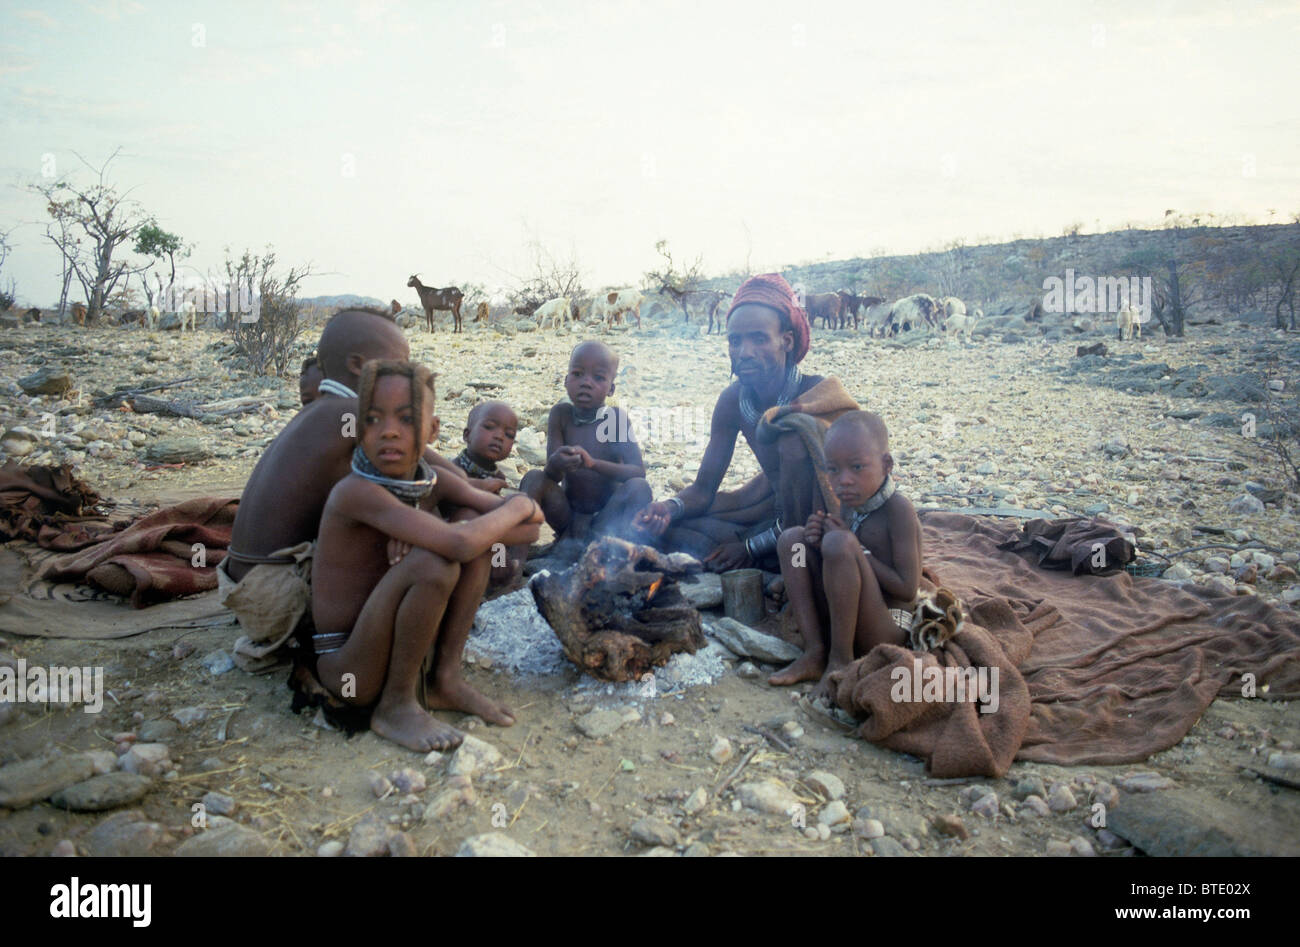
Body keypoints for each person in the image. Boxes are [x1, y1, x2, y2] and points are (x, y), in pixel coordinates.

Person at [220, 307, 505, 674]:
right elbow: (443, 471)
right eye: (400, 363)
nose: (406, 374)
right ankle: (421, 666)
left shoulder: (320, 411)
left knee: (409, 509)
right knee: (449, 529)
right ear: (359, 366)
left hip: (246, 587)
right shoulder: (351, 414)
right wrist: (483, 495)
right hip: (279, 594)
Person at [312, 359, 542, 751]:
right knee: (436, 560)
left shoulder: (427, 478)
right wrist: (515, 508)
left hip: (399, 646)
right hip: (351, 667)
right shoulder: (356, 492)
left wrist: (510, 514)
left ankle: (444, 680)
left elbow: (533, 526)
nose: (389, 431)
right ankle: (396, 706)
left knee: (471, 529)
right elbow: (464, 543)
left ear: (432, 430)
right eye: (372, 419)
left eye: (405, 419)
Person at [633, 274, 839, 572]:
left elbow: (835, 498)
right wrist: (666, 508)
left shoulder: (817, 396)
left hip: (817, 527)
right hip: (772, 514)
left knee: (802, 551)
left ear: (787, 341)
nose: (744, 352)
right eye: (735, 341)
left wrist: (749, 548)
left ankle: (788, 575)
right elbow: (704, 489)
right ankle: (768, 565)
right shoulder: (733, 402)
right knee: (675, 530)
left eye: (758, 338)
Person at [768, 411, 921, 691]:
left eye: (857, 467)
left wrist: (854, 547)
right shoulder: (851, 504)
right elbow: (843, 563)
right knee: (793, 542)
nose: (844, 480)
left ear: (886, 464)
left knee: (840, 543)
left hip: (888, 624)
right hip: (847, 614)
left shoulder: (898, 511)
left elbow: (907, 589)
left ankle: (840, 660)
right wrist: (816, 542)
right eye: (833, 470)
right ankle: (814, 652)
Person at [520, 340, 650, 549]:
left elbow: (637, 472)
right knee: (533, 478)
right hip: (568, 517)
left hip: (607, 519)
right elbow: (551, 476)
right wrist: (557, 462)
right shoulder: (560, 414)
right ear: (566, 380)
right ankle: (512, 562)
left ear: (611, 389)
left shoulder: (615, 419)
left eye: (598, 377)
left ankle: (608, 549)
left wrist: (593, 464)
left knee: (639, 488)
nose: (586, 383)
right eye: (578, 374)